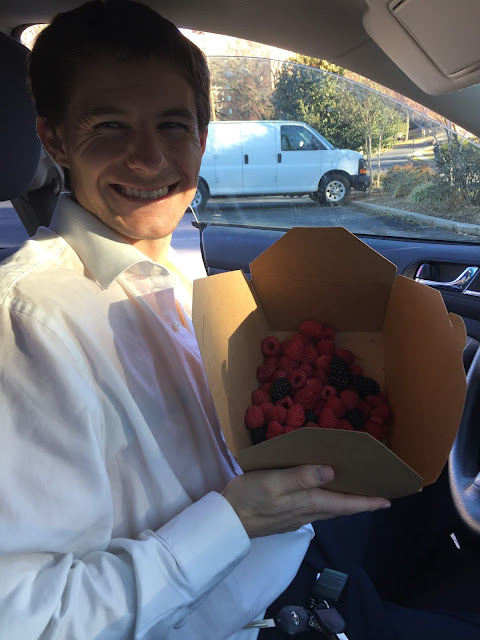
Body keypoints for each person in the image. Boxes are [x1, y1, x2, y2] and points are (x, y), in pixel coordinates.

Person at [0, 1, 391, 638]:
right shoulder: (26, 328)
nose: (149, 158)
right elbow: (31, 620)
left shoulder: (171, 275)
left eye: (173, 125)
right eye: (109, 126)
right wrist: (234, 521)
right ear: (55, 140)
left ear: (202, 137)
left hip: (294, 559)